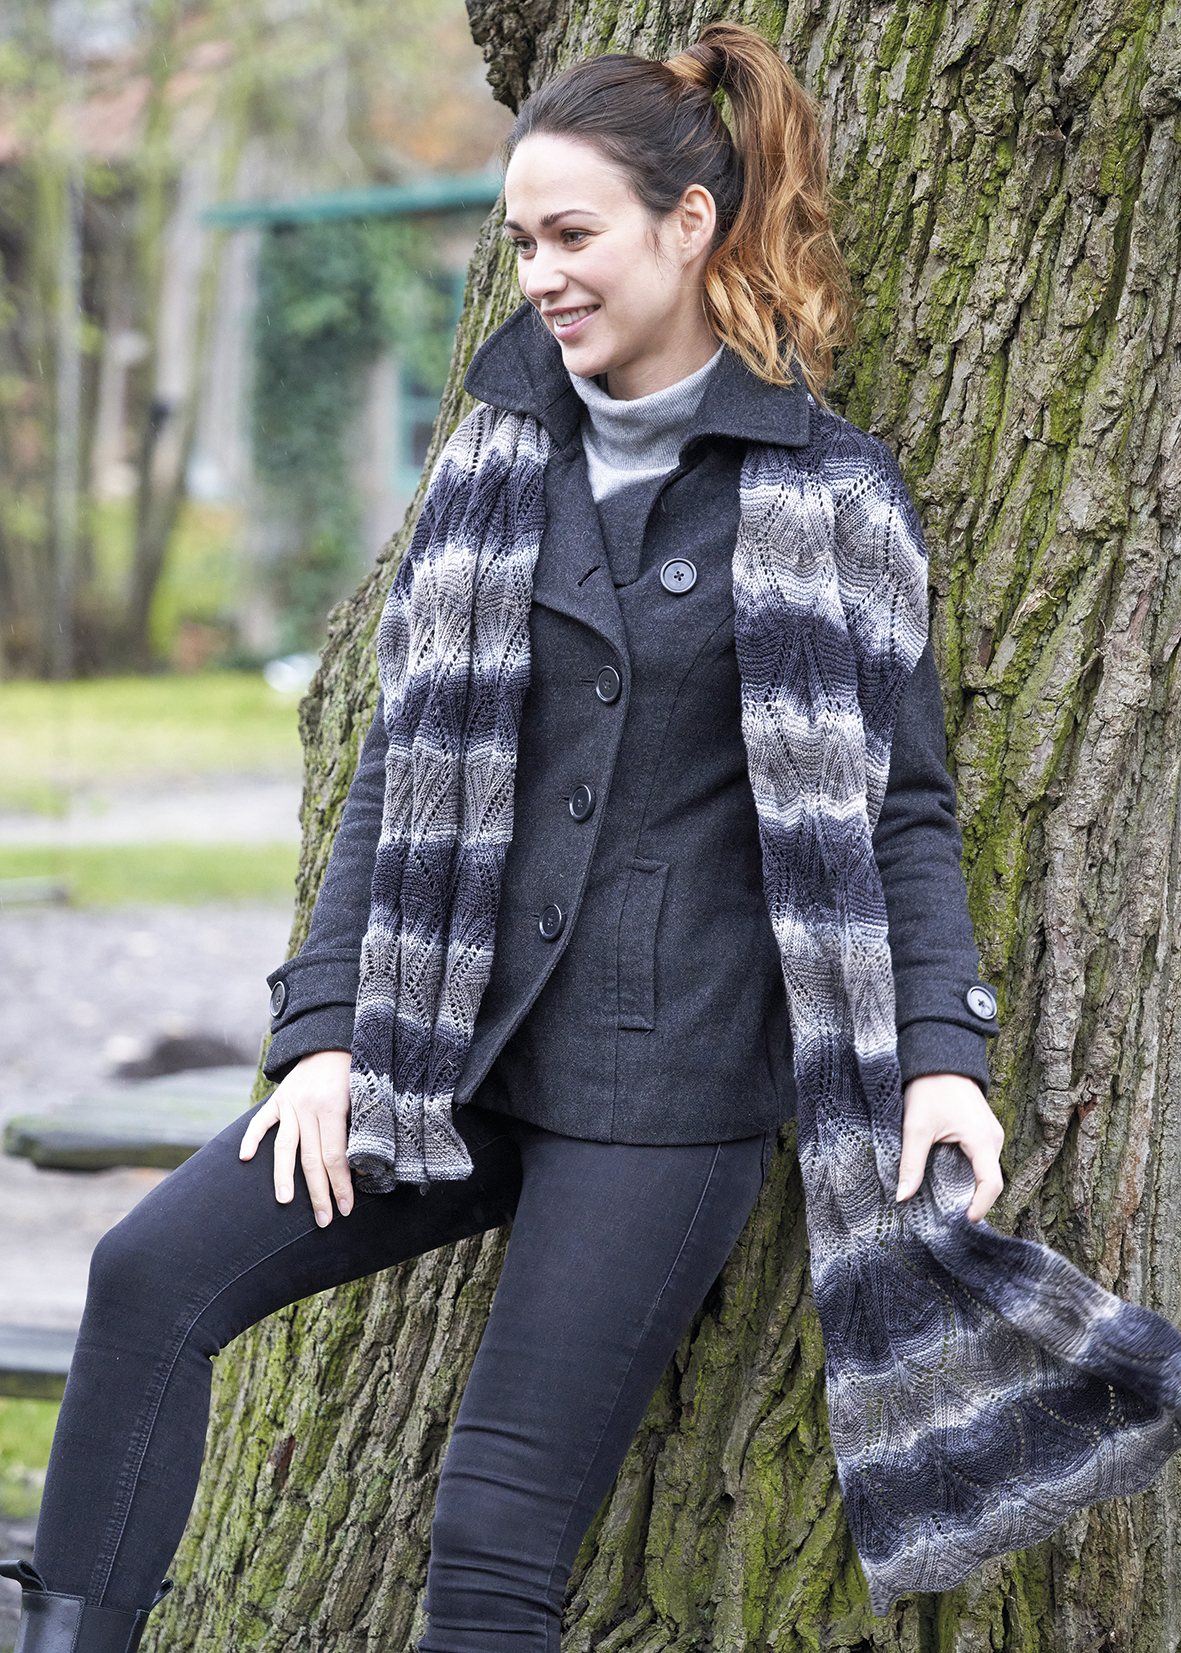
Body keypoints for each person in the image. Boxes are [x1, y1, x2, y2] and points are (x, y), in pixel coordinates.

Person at [2, 24, 1013, 1651]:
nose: (538, 275)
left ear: (688, 225)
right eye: (521, 241)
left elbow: (897, 805)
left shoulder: (827, 495)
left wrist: (942, 1052)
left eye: (571, 235)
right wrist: (324, 1030)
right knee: (146, 1276)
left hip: (666, 1087)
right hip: (441, 1048)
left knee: (488, 1542)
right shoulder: (492, 459)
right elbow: (400, 766)